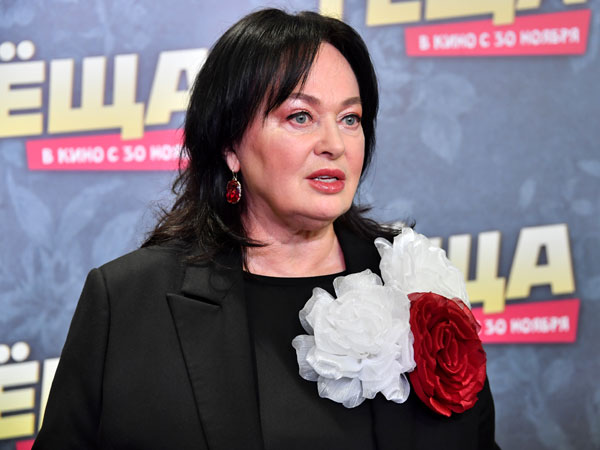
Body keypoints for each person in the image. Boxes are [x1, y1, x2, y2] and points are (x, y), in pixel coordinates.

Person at [33, 8, 500, 450]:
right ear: (231, 145)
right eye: (300, 117)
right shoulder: (128, 300)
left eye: (350, 119)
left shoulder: (413, 280)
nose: (334, 144)